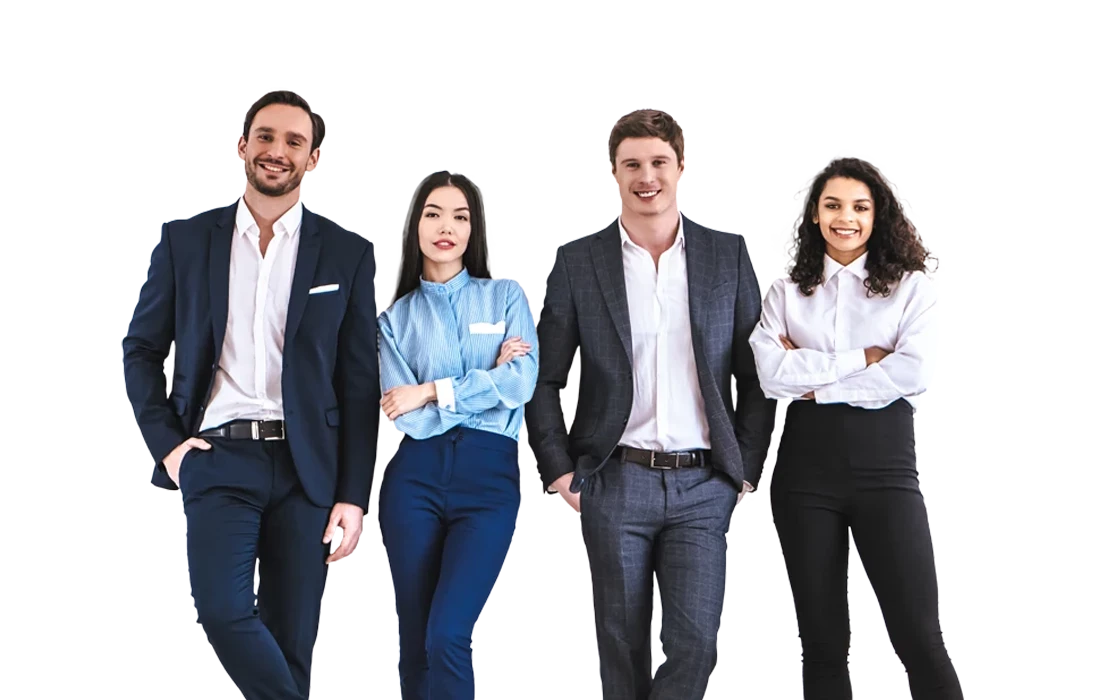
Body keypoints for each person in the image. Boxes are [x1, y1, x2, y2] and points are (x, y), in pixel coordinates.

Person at [122, 88, 380, 700]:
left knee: (291, 640)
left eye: (294, 141)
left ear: (314, 158)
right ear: (241, 147)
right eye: (265, 137)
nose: (276, 151)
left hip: (307, 469)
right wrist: (168, 448)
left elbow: (359, 382)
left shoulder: (346, 253)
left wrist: (353, 495)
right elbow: (140, 350)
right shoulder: (186, 242)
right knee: (222, 611)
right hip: (217, 459)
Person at [525, 109, 777, 700]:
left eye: (659, 162)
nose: (647, 176)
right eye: (632, 164)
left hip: (703, 484)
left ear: (681, 167)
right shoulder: (579, 263)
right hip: (615, 481)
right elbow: (544, 379)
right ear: (613, 174)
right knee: (621, 642)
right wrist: (561, 472)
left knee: (697, 643)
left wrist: (741, 469)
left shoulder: (726, 254)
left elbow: (756, 375)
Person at [749, 154, 964, 699]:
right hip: (804, 475)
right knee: (822, 646)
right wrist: (865, 359)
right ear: (815, 215)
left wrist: (816, 378)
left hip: (885, 473)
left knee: (919, 639)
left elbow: (917, 370)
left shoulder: (909, 287)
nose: (846, 217)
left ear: (878, 214)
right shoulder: (787, 287)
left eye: (860, 207)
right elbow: (772, 375)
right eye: (833, 205)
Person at [376, 170, 539, 699]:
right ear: (414, 226)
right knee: (419, 637)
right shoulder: (393, 320)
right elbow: (407, 421)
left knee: (449, 633)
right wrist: (483, 382)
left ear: (475, 229)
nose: (447, 227)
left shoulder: (505, 296)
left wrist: (429, 391)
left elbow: (521, 383)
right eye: (433, 214)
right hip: (414, 480)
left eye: (461, 216)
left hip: (488, 480)